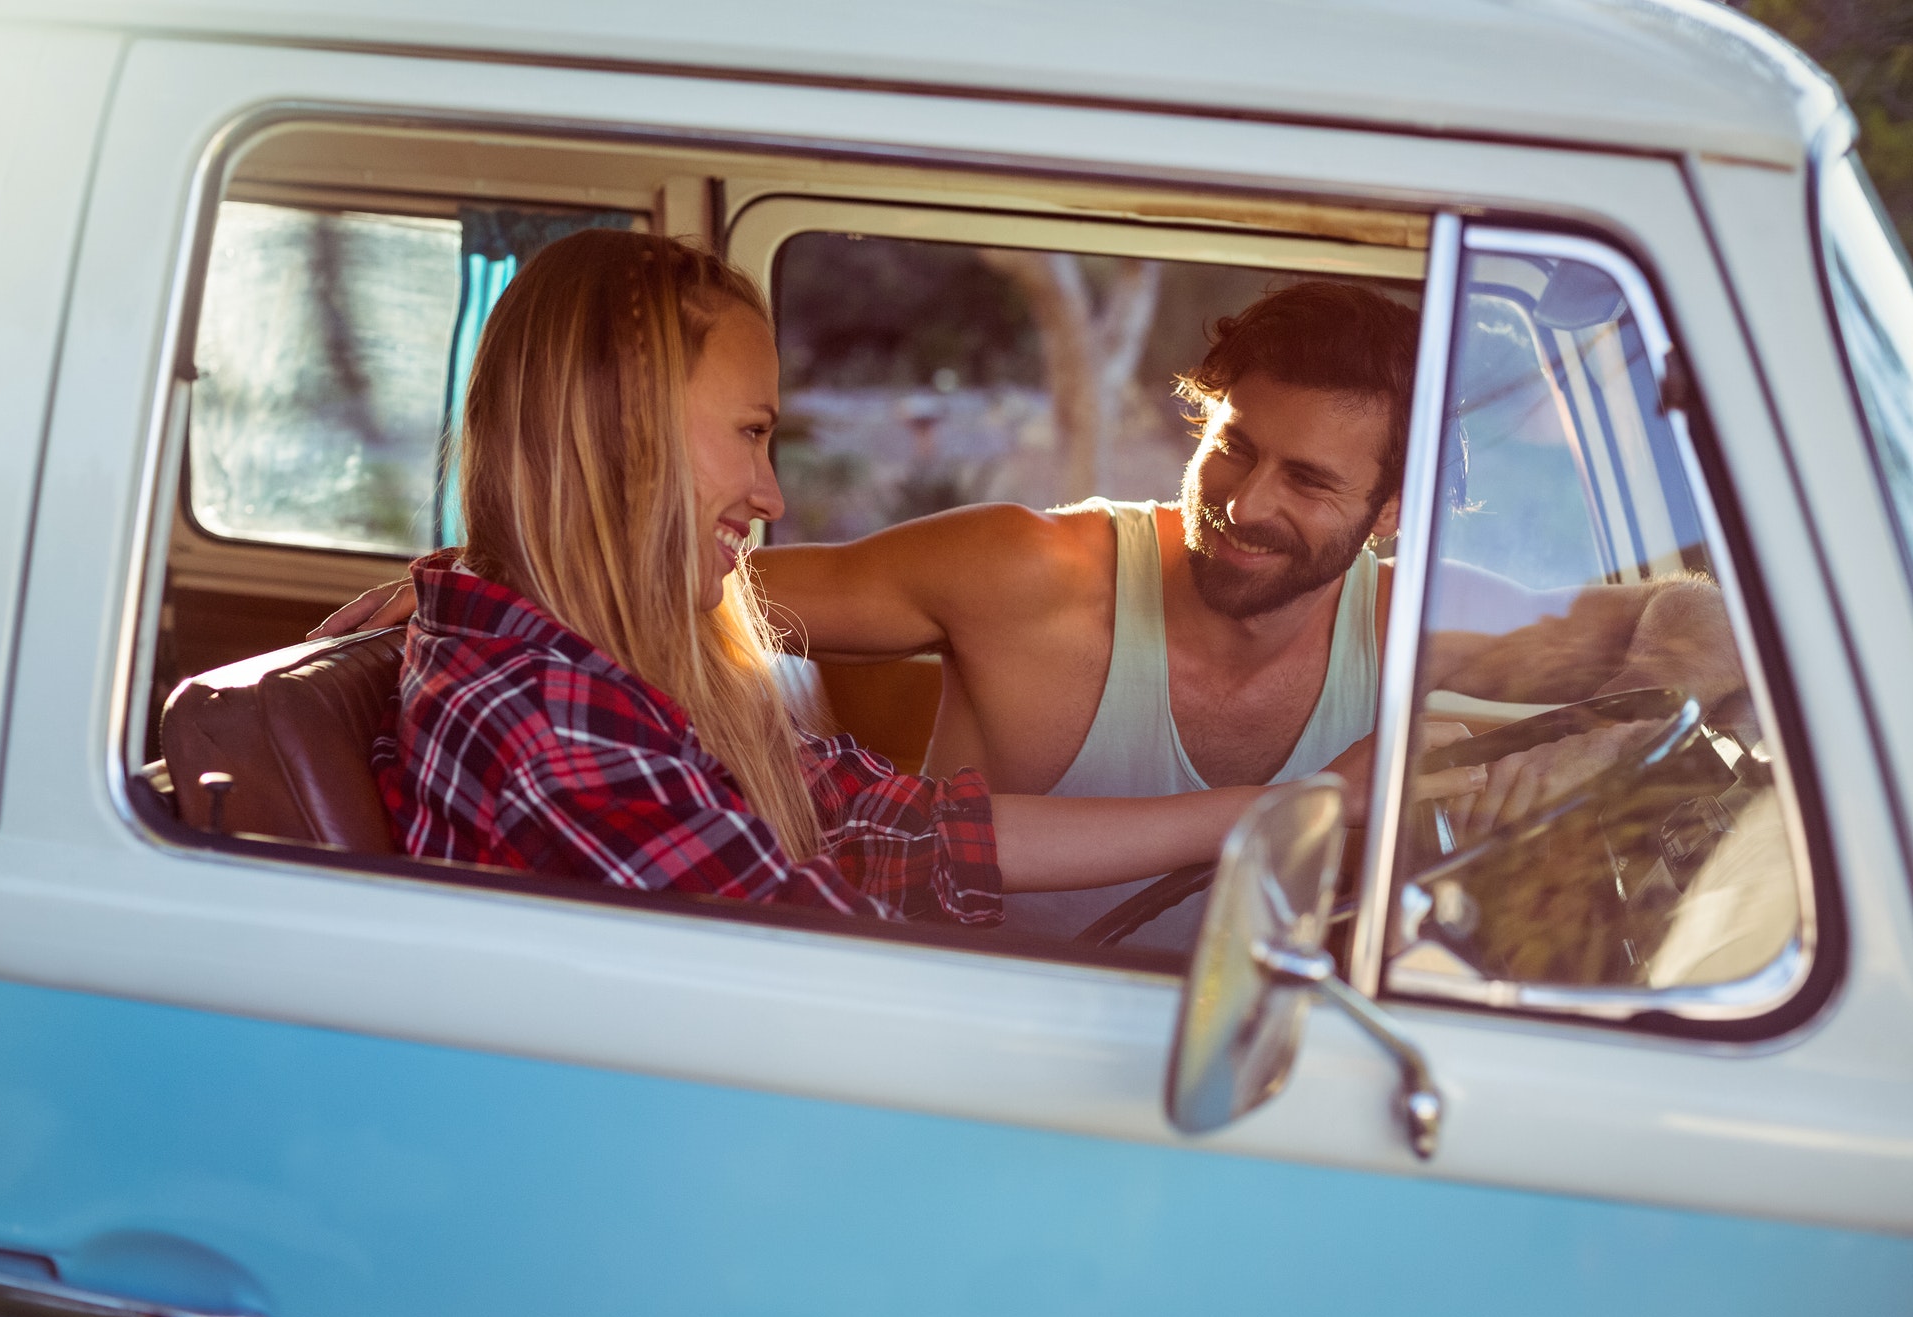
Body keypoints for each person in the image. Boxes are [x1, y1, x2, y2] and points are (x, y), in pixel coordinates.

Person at [339, 276, 1731, 943]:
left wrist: (1750, 659)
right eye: (1231, 444)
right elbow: (714, 586)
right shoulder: (1023, 571)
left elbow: (1631, 639)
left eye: (1308, 479)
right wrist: (428, 595)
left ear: (1386, 524)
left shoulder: (1423, 618)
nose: (1245, 498)